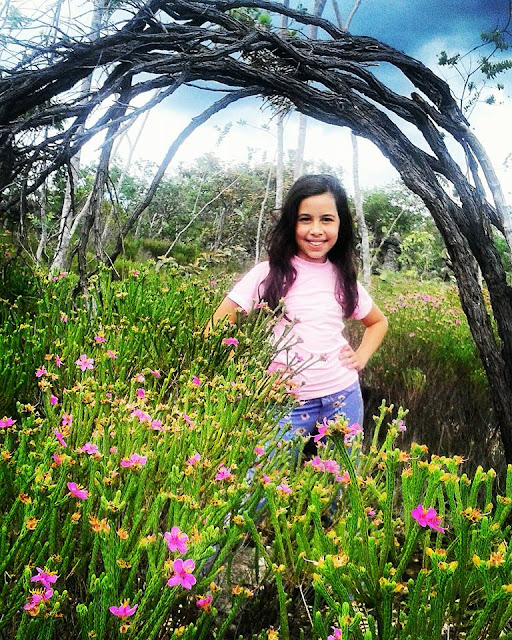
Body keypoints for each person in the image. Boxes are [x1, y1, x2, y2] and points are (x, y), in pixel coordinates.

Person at [211, 173, 388, 451]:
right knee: (261, 486)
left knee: (339, 484)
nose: (316, 230)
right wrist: (242, 369)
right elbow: (218, 323)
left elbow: (377, 322)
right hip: (284, 401)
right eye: (305, 219)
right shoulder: (267, 274)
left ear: (341, 224)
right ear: (291, 223)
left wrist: (361, 355)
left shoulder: (343, 278)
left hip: (343, 395)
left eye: (326, 219)